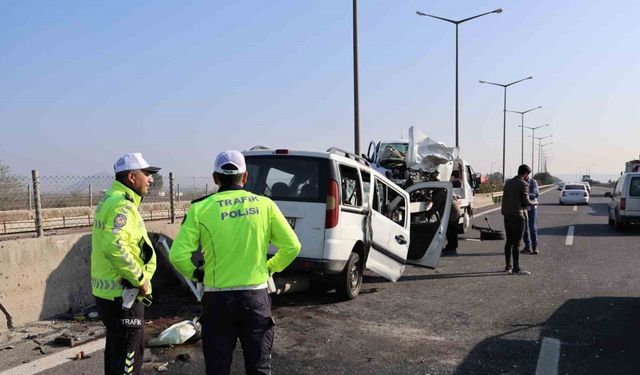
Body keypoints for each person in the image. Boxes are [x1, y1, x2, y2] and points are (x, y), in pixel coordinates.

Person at [170, 150, 301, 375]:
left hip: (217, 299)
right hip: (255, 297)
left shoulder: (200, 208)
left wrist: (196, 274)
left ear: (215, 178)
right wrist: (269, 267)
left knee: (218, 368)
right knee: (259, 367)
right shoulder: (265, 205)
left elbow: (177, 255)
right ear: (245, 177)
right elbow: (292, 246)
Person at [91, 153, 160, 375]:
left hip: (109, 293)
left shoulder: (109, 200)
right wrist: (139, 279)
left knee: (116, 351)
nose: (150, 180)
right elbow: (115, 246)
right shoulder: (123, 205)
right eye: (146, 174)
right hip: (124, 295)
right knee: (129, 355)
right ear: (132, 176)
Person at [501, 164, 537, 275]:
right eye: (527, 175)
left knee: (509, 242)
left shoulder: (508, 183)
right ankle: (516, 268)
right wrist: (534, 203)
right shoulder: (523, 184)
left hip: (507, 215)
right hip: (518, 216)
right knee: (517, 243)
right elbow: (526, 201)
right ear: (525, 173)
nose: (528, 177)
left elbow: (505, 199)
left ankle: (508, 266)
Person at [521, 175, 540, 254]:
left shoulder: (533, 182)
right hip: (522, 208)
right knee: (524, 229)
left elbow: (536, 193)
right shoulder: (520, 182)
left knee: (532, 228)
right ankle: (527, 246)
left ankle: (534, 247)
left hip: (531, 208)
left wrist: (527, 195)